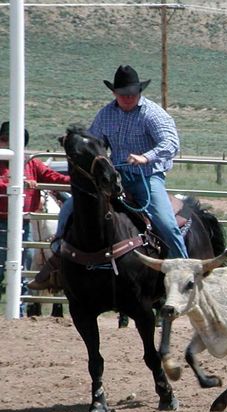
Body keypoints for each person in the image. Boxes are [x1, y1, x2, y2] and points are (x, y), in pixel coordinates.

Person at [29, 65, 187, 291]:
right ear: (114, 93)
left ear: (139, 92)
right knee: (70, 209)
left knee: (165, 221)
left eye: (132, 94)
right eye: (123, 94)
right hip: (114, 177)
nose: (128, 98)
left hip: (147, 176)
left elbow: (171, 144)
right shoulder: (106, 114)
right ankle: (57, 264)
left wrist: (145, 157)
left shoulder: (153, 113)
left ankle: (186, 269)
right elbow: (94, 142)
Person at [0, 122, 70, 310]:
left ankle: (20, 310)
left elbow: (52, 177)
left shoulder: (30, 163)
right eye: (5, 140)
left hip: (24, 221)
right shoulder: (23, 163)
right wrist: (16, 184)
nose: (8, 144)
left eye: (13, 140)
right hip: (3, 220)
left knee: (23, 266)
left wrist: (76, 179)